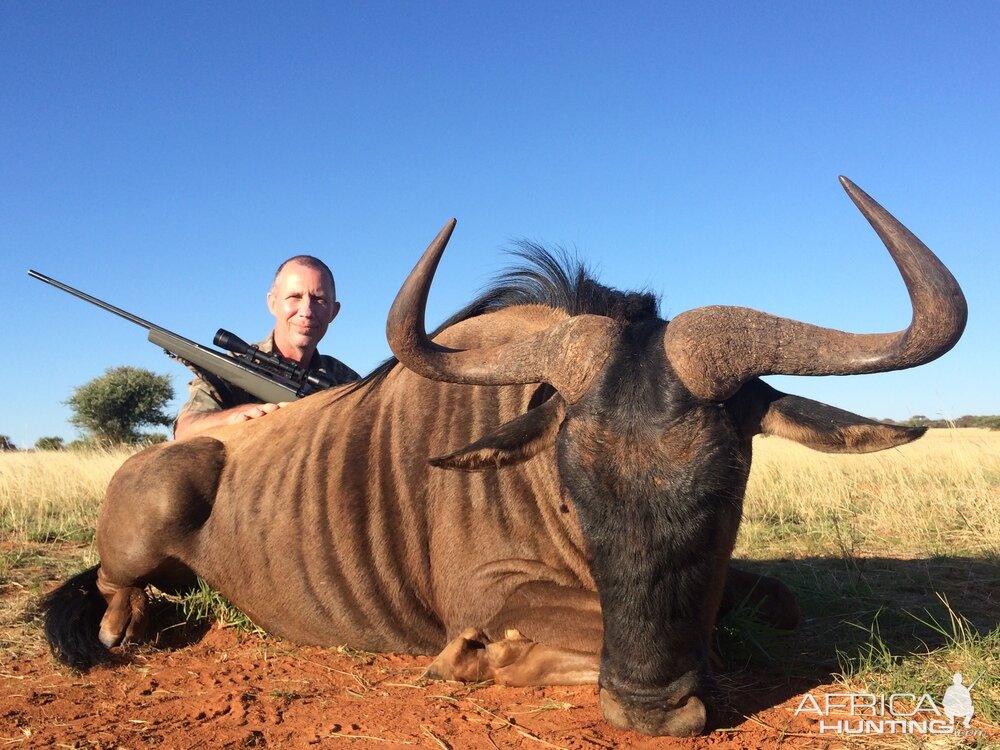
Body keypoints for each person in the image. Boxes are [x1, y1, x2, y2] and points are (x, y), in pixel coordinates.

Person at [174, 255, 359, 439]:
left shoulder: (345, 381)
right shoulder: (230, 366)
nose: (307, 312)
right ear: (272, 303)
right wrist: (238, 416)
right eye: (294, 297)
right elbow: (185, 427)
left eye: (319, 300)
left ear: (333, 312)